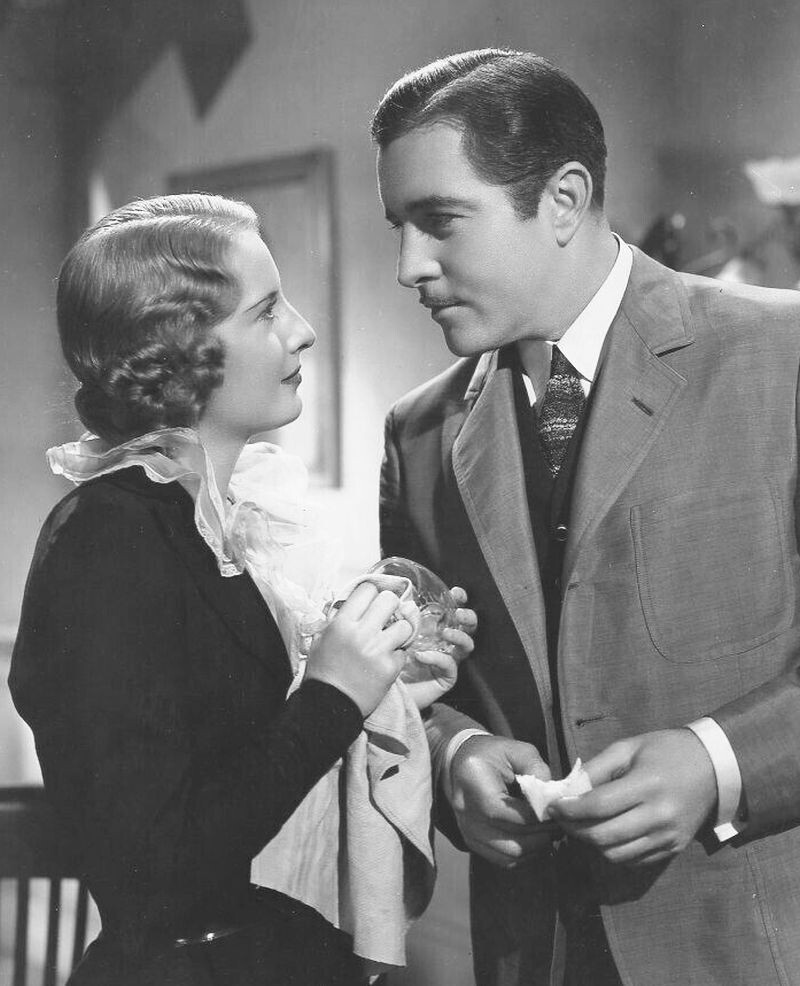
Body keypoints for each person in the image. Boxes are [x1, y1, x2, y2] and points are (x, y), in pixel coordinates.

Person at [373, 47, 800, 986]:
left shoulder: (785, 355)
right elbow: (414, 685)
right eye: (399, 226)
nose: (410, 266)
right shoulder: (418, 433)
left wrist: (717, 763)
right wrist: (455, 756)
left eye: (439, 221)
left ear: (564, 200)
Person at [9, 193, 475, 986]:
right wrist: (332, 695)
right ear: (179, 353)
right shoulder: (108, 538)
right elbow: (154, 869)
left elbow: (232, 757)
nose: (302, 330)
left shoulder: (209, 523)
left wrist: (384, 688)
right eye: (266, 312)